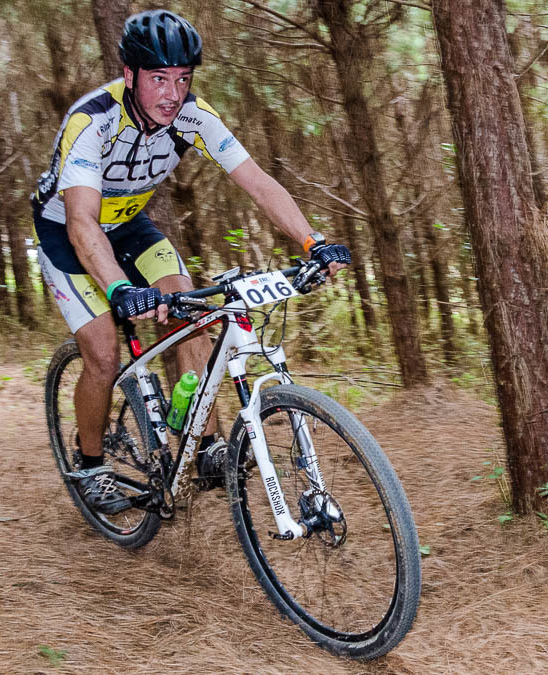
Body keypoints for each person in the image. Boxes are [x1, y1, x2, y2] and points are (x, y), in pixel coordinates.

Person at [32, 9, 350, 513]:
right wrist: (119, 288)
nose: (172, 94)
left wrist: (312, 241)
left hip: (129, 224)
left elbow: (257, 181)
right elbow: (82, 223)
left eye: (183, 79)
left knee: (191, 312)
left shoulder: (193, 117)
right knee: (103, 354)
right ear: (129, 74)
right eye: (159, 78)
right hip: (67, 230)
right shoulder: (92, 122)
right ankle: (90, 464)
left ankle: (204, 446)